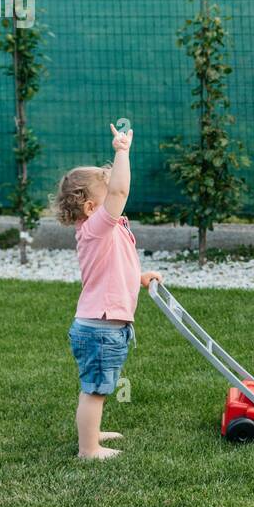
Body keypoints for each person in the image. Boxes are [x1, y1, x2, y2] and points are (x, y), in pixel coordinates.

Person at [53, 124, 162, 457]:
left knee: (99, 386)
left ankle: (93, 431)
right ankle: (89, 449)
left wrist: (139, 277)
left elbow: (113, 267)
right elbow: (118, 193)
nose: (115, 203)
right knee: (95, 391)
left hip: (104, 327)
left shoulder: (101, 231)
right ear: (89, 208)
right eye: (105, 200)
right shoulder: (96, 228)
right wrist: (122, 152)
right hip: (100, 330)